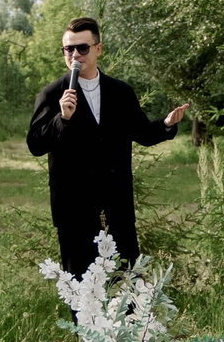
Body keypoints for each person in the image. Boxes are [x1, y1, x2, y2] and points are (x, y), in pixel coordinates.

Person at [25, 17, 188, 287]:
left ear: (98, 49)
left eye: (82, 48)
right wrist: (61, 119)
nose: (75, 55)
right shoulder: (53, 93)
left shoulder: (121, 92)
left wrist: (167, 124)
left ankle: (132, 331)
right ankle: (84, 331)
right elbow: (35, 144)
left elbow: (144, 134)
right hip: (73, 208)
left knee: (129, 282)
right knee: (81, 287)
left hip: (116, 204)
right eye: (68, 49)